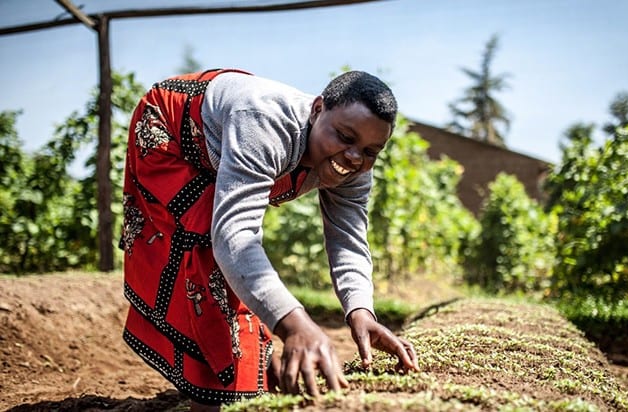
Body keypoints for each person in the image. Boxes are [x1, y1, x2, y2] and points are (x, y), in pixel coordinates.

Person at [119, 68, 419, 411]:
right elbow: (234, 235)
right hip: (168, 132)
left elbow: (348, 240)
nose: (354, 157)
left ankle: (254, 369)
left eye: (370, 151)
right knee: (206, 246)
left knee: (234, 262)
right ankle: (215, 392)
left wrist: (361, 311)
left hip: (223, 145)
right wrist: (295, 325)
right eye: (344, 136)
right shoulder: (264, 124)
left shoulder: (355, 166)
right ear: (317, 110)